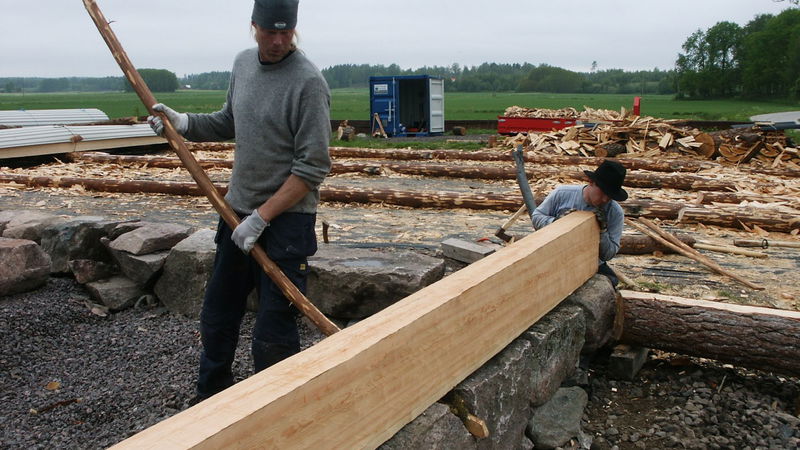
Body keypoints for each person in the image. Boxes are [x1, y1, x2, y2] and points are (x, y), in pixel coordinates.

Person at [147, 0, 331, 402]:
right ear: (254, 27)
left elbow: (313, 167)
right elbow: (230, 120)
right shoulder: (243, 64)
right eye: (270, 32)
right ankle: (211, 400)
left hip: (286, 223)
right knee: (217, 313)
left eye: (287, 33)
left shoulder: (308, 82)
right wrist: (182, 123)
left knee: (274, 328)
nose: (279, 41)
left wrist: (262, 218)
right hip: (237, 212)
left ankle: (275, 411)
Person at [531, 160, 627, 286]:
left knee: (611, 281)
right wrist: (557, 223)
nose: (605, 199)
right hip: (555, 255)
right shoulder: (562, 194)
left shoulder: (615, 212)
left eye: (609, 196)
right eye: (603, 192)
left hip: (590, 261)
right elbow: (536, 217)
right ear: (591, 182)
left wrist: (602, 231)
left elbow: (608, 254)